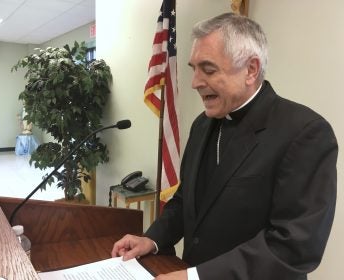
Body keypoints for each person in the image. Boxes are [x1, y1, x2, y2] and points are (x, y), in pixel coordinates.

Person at [112, 13, 338, 280]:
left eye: (208, 70)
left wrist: (196, 277)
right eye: (193, 69)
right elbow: (186, 200)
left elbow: (294, 246)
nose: (195, 82)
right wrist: (152, 240)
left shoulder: (305, 132)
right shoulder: (202, 125)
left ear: (251, 70)